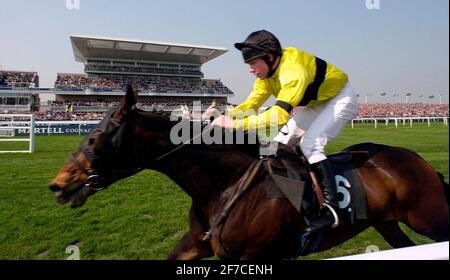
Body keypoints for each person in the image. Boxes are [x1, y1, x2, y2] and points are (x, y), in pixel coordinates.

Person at [211, 30, 358, 233]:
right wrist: (224, 114)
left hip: (339, 98)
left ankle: (332, 211)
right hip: (316, 103)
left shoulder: (293, 69)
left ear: (270, 57)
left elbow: (278, 116)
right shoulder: (266, 76)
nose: (250, 70)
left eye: (253, 63)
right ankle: (295, 202)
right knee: (276, 146)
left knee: (310, 145)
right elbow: (252, 104)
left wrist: (232, 124)